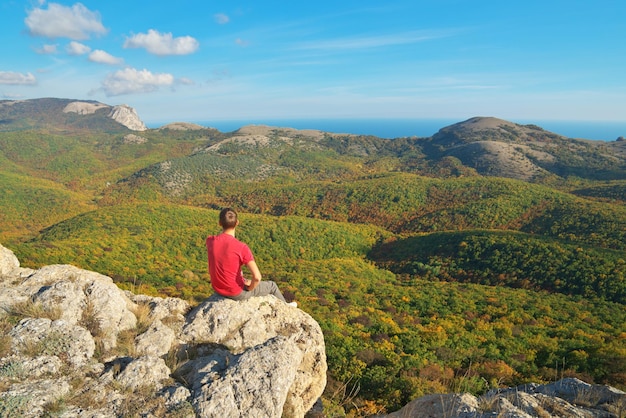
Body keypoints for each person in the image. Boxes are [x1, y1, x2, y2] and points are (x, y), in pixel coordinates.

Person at [206, 207, 297, 307]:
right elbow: (257, 277)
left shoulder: (210, 241)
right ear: (237, 223)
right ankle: (286, 307)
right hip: (235, 293)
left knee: (242, 275)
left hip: (218, 288)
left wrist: (243, 280)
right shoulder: (241, 247)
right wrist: (250, 288)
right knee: (272, 286)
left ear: (220, 223)